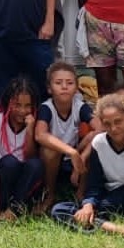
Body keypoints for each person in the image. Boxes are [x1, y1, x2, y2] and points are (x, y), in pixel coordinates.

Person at [51, 93, 124, 239]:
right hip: (113, 198)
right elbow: (95, 184)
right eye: (107, 123)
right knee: (59, 210)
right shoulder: (99, 143)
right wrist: (88, 205)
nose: (113, 128)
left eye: (118, 121)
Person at [35, 61, 101, 211]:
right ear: (49, 89)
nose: (64, 87)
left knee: (95, 138)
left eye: (69, 83)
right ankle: (49, 194)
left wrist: (82, 155)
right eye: (58, 83)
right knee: (51, 150)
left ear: (76, 88)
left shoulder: (79, 106)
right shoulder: (47, 107)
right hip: (52, 160)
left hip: (74, 157)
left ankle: (81, 193)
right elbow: (40, 135)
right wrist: (71, 152)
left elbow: (101, 128)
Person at [0, 77, 43, 221]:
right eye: (17, 105)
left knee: (36, 164)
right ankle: (2, 206)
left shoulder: (35, 123)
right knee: (10, 162)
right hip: (5, 171)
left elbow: (31, 155)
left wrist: (30, 130)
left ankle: (14, 208)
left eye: (27, 106)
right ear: (8, 103)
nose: (22, 110)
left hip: (25, 174)